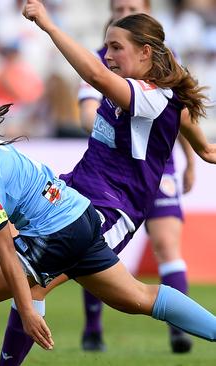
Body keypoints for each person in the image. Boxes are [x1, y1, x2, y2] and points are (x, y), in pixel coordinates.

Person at [0, 1, 216, 364]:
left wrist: (48, 25)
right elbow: (180, 112)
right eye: (106, 46)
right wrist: (203, 147)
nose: (107, 54)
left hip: (109, 211)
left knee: (19, 285)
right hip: (76, 194)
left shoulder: (150, 96)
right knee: (134, 298)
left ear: (146, 52)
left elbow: (151, 99)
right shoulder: (141, 93)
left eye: (116, 47)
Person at [76, 0, 196, 353]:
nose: (122, 10)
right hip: (114, 171)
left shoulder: (164, 61)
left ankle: (179, 330)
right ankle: (93, 330)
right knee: (89, 248)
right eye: (118, 6)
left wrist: (190, 158)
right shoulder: (101, 59)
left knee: (166, 245)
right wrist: (107, 122)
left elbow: (181, 116)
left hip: (160, 169)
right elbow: (87, 111)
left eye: (131, 6)